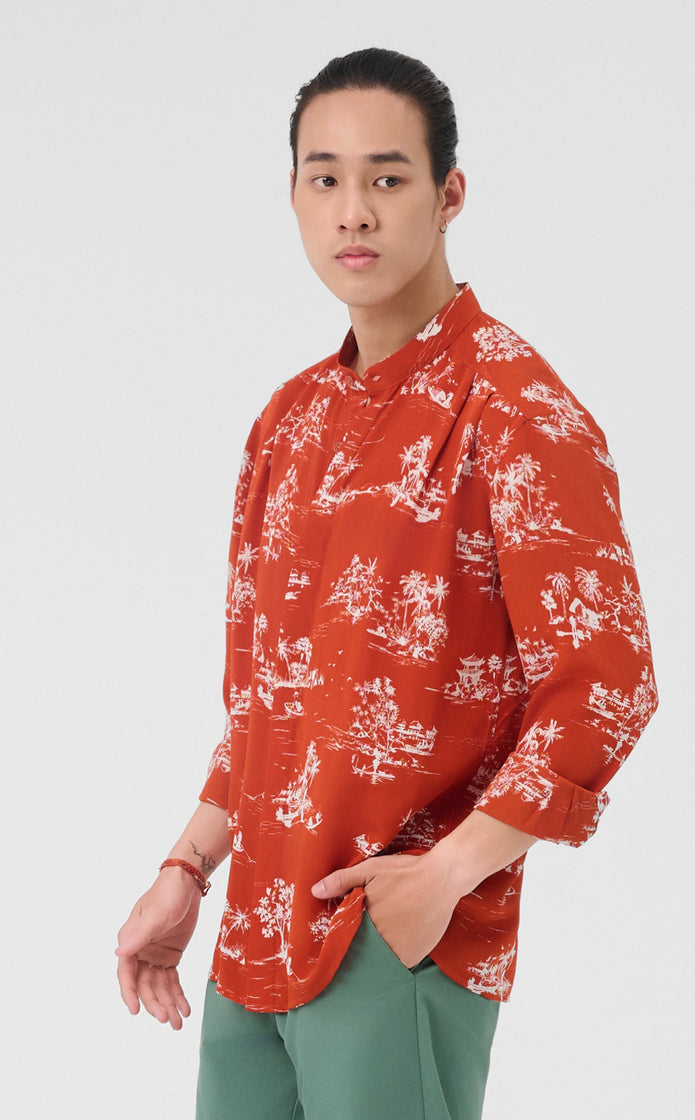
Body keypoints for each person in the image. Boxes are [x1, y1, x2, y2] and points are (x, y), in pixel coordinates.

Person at [116, 47, 658, 1120]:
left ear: (448, 195)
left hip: (393, 942)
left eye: (387, 177)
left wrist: (447, 874)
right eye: (324, 178)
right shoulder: (289, 421)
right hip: (251, 939)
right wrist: (186, 869)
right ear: (293, 196)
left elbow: (606, 684)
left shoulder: (517, 410)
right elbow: (268, 696)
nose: (352, 211)